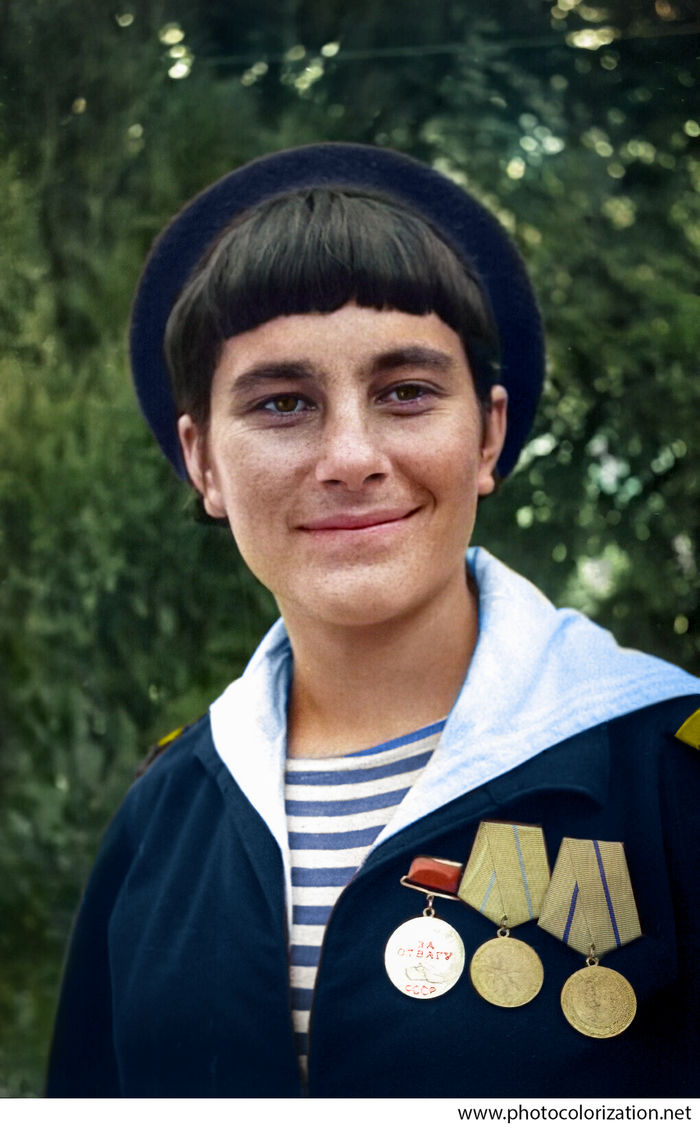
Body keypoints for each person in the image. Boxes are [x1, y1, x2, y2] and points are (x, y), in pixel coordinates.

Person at [46, 143, 700, 1099]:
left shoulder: (668, 773)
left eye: (405, 393)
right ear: (203, 463)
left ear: (488, 434)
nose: (351, 457)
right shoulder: (160, 820)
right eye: (283, 403)